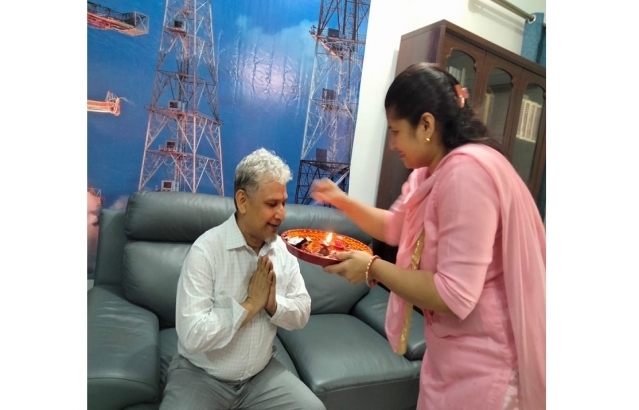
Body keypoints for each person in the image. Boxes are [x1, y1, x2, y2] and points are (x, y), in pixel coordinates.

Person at [310, 62, 545, 410]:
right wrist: (343, 201)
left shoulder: (466, 174)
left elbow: (454, 294)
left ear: (426, 125)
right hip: (449, 350)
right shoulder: (427, 173)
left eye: (395, 132)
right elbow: (396, 226)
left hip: (485, 359)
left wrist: (372, 267)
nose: (392, 145)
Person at [161, 148, 325, 410]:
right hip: (201, 375)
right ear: (242, 201)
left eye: (283, 203)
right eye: (272, 204)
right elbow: (192, 335)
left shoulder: (282, 251)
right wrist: (249, 306)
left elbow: (302, 312)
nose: (282, 214)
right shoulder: (206, 251)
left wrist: (272, 304)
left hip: (261, 377)